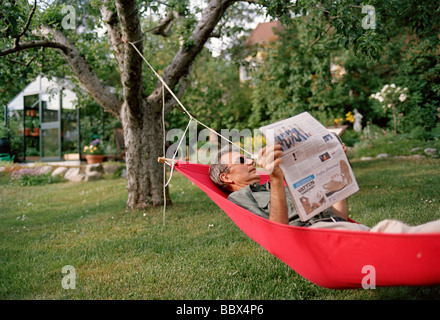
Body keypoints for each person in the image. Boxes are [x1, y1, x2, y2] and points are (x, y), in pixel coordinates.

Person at [209, 143, 440, 233]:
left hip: (344, 227)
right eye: (241, 161)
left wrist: (336, 166)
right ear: (226, 176)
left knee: (395, 234)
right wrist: (277, 180)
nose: (250, 161)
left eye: (248, 158)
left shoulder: (271, 184)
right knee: (396, 232)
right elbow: (279, 232)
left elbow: (340, 215)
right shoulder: (241, 198)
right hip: (321, 237)